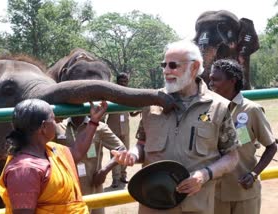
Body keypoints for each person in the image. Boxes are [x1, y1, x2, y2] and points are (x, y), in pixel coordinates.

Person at [112, 40, 240, 214]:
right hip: (153, 204)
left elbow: (231, 157)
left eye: (173, 65)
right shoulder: (152, 103)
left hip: (196, 206)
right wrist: (133, 154)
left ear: (194, 67)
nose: (166, 71)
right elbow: (142, 144)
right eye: (164, 65)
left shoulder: (218, 107)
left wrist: (205, 174)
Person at [0, 98, 108, 214]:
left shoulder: (52, 150)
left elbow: (76, 152)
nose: (57, 123)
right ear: (44, 127)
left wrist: (93, 121)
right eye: (53, 119)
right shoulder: (24, 170)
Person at [209, 59, 277, 214]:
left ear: (232, 81)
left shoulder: (252, 110)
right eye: (210, 78)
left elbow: (272, 146)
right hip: (214, 193)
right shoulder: (208, 110)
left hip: (244, 191)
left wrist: (253, 174)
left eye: (215, 79)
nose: (210, 83)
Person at [54, 114, 126, 214]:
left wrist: (104, 171)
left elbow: (121, 149)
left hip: (93, 187)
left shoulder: (99, 127)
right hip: (68, 189)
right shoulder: (58, 127)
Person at [107, 72, 132, 188]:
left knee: (125, 152)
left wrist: (141, 109)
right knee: (115, 154)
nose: (123, 84)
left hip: (125, 128)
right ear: (117, 82)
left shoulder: (130, 95)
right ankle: (115, 179)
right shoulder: (111, 94)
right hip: (113, 128)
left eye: (125, 82)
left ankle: (123, 175)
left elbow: (132, 112)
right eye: (121, 81)